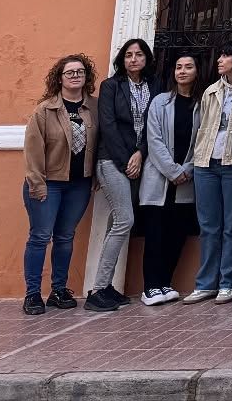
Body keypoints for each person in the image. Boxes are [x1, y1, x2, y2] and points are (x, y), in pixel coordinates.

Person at [22, 54, 98, 315]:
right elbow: (32, 150)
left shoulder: (94, 108)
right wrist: (37, 184)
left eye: (80, 72)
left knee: (65, 237)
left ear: (86, 77)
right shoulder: (45, 110)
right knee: (40, 237)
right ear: (60, 78)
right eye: (70, 72)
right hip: (48, 184)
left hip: (78, 185)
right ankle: (32, 294)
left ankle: (58, 290)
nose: (75, 76)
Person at [84, 38, 155, 312]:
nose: (133, 59)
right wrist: (128, 160)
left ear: (146, 59)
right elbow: (109, 127)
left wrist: (141, 153)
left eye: (138, 55)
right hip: (111, 161)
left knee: (118, 221)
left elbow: (153, 125)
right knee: (125, 219)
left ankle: (105, 286)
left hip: (138, 160)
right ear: (121, 60)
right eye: (128, 55)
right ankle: (98, 290)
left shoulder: (154, 86)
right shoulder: (111, 86)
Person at [182, 39, 232, 304]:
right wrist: (194, 160)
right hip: (205, 164)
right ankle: (206, 283)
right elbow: (199, 128)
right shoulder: (211, 91)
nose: (220, 60)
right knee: (209, 225)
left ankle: (228, 282)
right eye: (219, 55)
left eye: (226, 56)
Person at [139, 53, 202, 305]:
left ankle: (165, 283)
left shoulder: (202, 104)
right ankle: (150, 287)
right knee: (155, 234)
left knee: (177, 234)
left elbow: (202, 142)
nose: (182, 71)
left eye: (188, 67)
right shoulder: (160, 102)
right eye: (178, 67)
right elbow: (153, 141)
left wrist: (188, 168)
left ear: (197, 71)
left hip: (187, 180)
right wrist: (174, 171)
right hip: (159, 178)